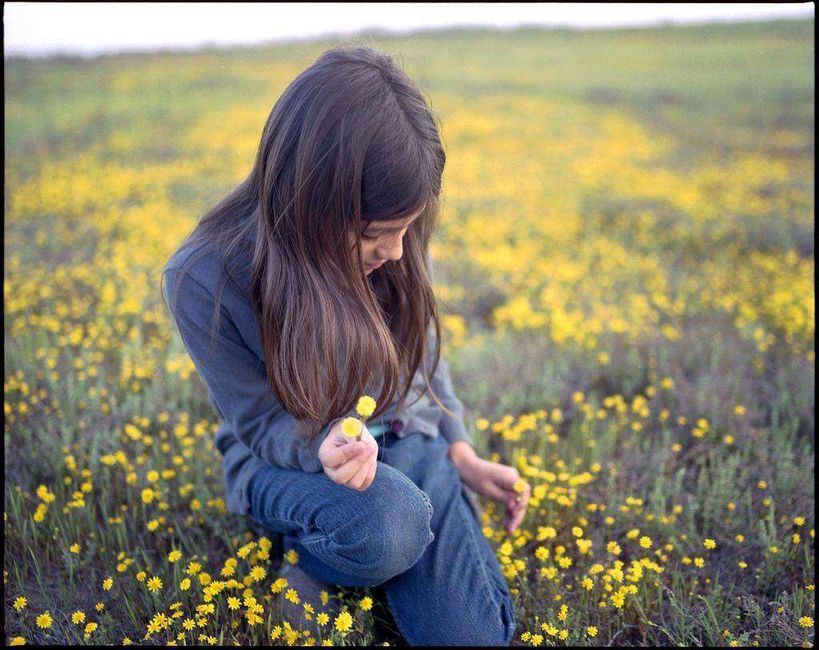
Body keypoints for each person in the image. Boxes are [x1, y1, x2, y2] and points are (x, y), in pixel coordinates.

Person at [161, 43, 529, 646]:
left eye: (409, 229)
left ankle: (381, 540)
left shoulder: (390, 228)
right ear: (310, 205)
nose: (399, 253)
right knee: (391, 523)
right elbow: (257, 421)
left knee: (470, 638)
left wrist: (459, 448)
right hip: (282, 458)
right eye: (377, 235)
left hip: (405, 440)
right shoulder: (204, 277)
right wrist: (323, 448)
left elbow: (419, 348)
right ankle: (318, 564)